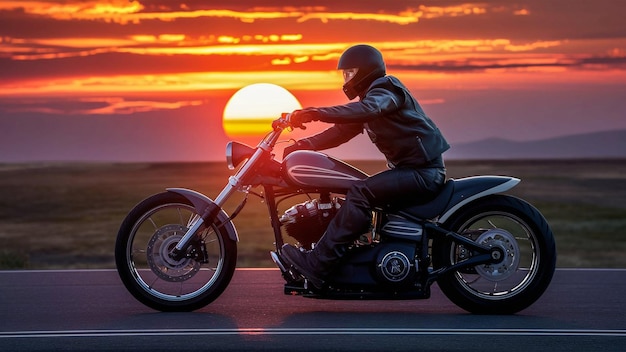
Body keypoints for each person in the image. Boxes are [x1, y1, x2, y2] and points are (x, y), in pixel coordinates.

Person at [280, 44, 450, 289]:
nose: (346, 79)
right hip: (409, 171)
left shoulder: (386, 89)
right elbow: (341, 132)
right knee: (356, 188)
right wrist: (303, 145)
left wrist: (315, 113)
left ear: (365, 71)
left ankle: (319, 263)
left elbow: (371, 108)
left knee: (361, 191)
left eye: (350, 72)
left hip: (423, 173)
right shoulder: (369, 99)